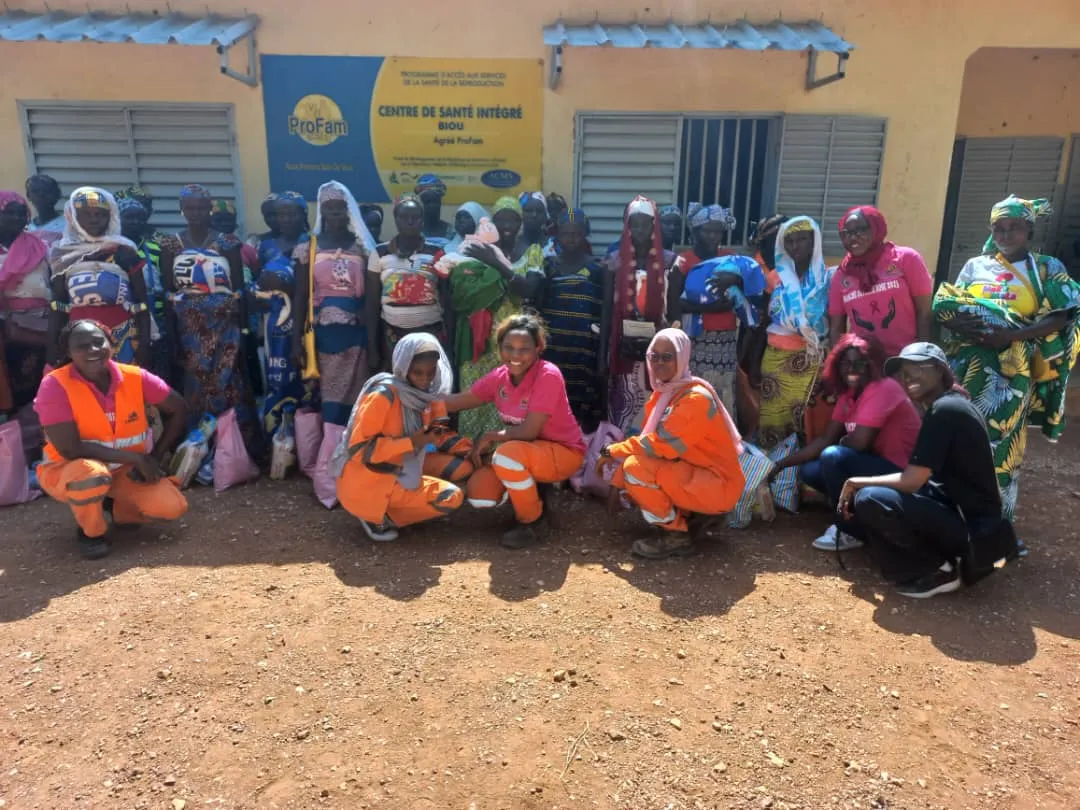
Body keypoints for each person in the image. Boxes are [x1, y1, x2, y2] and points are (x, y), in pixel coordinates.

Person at [934, 195, 1080, 523]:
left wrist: (1009, 337)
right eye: (999, 228)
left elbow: (1063, 316)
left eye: (1014, 227)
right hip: (968, 365)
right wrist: (957, 322)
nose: (1005, 234)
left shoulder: (1046, 269)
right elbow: (949, 304)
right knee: (959, 432)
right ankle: (951, 510)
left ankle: (994, 521)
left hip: (1011, 371)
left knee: (999, 440)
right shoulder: (976, 266)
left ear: (1029, 229)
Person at [838, 342, 1019, 599]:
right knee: (874, 501)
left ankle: (939, 569)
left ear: (938, 369)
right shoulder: (950, 404)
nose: (907, 377)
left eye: (915, 368)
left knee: (870, 498)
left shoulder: (944, 411)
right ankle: (941, 559)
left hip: (972, 529)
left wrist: (856, 481)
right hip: (970, 519)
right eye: (903, 372)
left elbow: (912, 480)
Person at [34, 320, 188, 559]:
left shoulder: (135, 377)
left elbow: (179, 408)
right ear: (68, 352)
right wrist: (136, 458)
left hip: (122, 469)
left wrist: (154, 458)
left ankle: (118, 509)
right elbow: (70, 449)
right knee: (91, 475)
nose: (93, 350)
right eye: (82, 346)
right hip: (69, 469)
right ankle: (91, 532)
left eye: (98, 342)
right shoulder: (54, 385)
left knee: (173, 508)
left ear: (111, 343)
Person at [598, 328, 745, 559]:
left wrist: (612, 452)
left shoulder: (694, 398)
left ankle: (675, 535)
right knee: (638, 466)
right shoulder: (668, 392)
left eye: (667, 356)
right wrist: (617, 482)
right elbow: (652, 447)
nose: (658, 362)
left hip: (717, 485)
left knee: (635, 470)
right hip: (703, 477)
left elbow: (659, 446)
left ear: (683, 357)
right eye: (654, 356)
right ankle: (693, 517)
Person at [768, 333, 922, 551]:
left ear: (871, 365)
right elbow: (825, 439)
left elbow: (859, 443)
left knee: (833, 457)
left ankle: (849, 528)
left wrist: (841, 441)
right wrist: (781, 464)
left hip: (901, 472)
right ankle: (857, 513)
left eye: (859, 363)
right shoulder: (849, 393)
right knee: (811, 470)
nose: (852, 369)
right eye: (846, 363)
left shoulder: (882, 388)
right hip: (875, 464)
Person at [443, 314, 586, 549]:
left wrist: (490, 436)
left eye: (524, 349)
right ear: (499, 348)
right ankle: (531, 495)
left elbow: (529, 431)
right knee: (481, 496)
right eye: (509, 347)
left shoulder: (548, 374)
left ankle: (533, 521)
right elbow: (463, 400)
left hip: (564, 453)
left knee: (506, 456)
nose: (516, 355)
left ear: (538, 348)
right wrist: (421, 401)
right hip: (528, 451)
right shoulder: (500, 376)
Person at [332, 333, 468, 543]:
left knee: (457, 483)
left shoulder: (427, 395)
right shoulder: (382, 396)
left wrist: (467, 448)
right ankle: (373, 515)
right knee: (447, 498)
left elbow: (437, 434)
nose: (425, 379)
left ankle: (394, 511)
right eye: (418, 372)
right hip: (369, 480)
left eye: (431, 372)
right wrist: (413, 442)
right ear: (403, 367)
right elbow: (360, 450)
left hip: (404, 466)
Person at [159, 184, 256, 446]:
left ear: (210, 208)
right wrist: (172, 335)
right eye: (190, 207)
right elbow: (169, 292)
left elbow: (239, 289)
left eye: (202, 207)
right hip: (188, 326)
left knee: (229, 379)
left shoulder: (227, 242)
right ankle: (201, 445)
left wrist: (245, 330)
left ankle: (235, 445)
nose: (197, 212)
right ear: (181, 210)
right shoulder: (170, 244)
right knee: (196, 380)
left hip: (225, 324)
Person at [448, 196, 545, 437]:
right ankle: (471, 453)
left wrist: (495, 263)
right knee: (475, 393)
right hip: (479, 340)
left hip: (516, 342)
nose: (507, 226)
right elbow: (460, 290)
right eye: (501, 220)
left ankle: (503, 453)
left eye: (512, 220)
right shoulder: (478, 247)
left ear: (520, 223)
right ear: (492, 223)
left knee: (510, 395)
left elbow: (528, 289)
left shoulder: (532, 252)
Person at [293, 181, 379, 426]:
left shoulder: (362, 247)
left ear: (349, 209)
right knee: (326, 401)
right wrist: (295, 341)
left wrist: (374, 346)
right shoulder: (308, 247)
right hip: (321, 336)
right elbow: (301, 296)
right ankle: (327, 456)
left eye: (340, 207)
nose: (335, 213)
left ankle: (350, 450)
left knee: (356, 401)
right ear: (321, 210)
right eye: (329, 208)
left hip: (356, 335)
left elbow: (372, 297)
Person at [752, 216, 834, 448]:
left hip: (809, 360)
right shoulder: (774, 279)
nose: (796, 246)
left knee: (803, 421)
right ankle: (768, 475)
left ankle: (796, 476)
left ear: (814, 241)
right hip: (775, 358)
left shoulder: (827, 279)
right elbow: (763, 321)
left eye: (802, 239)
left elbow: (836, 320)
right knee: (771, 421)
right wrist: (756, 361)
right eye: (790, 241)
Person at [48, 187, 151, 368]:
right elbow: (58, 305)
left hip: (123, 337)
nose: (94, 219)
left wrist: (144, 345)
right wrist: (52, 345)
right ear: (73, 217)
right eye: (86, 214)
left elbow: (141, 303)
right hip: (79, 341)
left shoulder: (124, 251)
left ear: (110, 216)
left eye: (100, 214)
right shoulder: (62, 254)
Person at [667, 203, 749, 417]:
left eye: (717, 231)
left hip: (726, 338)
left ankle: (720, 439)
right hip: (695, 338)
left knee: (722, 390)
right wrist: (710, 308)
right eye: (707, 231)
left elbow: (739, 296)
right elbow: (674, 302)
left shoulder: (730, 258)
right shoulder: (684, 261)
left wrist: (697, 307)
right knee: (694, 390)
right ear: (695, 232)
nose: (713, 236)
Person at [606, 195, 675, 435]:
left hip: (658, 349)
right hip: (623, 349)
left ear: (654, 225)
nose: (639, 230)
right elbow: (606, 310)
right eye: (633, 224)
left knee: (654, 407)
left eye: (645, 223)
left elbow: (675, 312)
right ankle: (617, 459)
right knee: (622, 406)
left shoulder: (671, 262)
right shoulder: (614, 262)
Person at [829, 206, 933, 357]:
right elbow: (836, 328)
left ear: (876, 228)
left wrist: (920, 359)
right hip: (866, 364)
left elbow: (924, 313)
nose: (852, 237)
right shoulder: (841, 276)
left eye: (861, 230)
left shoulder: (906, 259)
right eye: (847, 233)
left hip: (904, 360)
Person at [540, 208, 605, 431]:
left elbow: (603, 311)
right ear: (557, 234)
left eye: (576, 233)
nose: (570, 239)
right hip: (554, 346)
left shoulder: (598, 268)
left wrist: (602, 354)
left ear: (584, 234)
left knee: (579, 404)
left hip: (584, 350)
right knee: (552, 397)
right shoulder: (549, 266)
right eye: (565, 233)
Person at [373, 194, 451, 361]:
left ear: (422, 220)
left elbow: (446, 298)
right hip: (392, 336)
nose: (410, 222)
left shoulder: (436, 252)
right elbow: (372, 304)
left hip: (430, 334)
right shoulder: (379, 253)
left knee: (429, 381)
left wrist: (450, 345)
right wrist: (373, 348)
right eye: (404, 217)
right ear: (395, 219)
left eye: (415, 217)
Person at [0, 191, 51, 416]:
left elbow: (53, 282)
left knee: (34, 388)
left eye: (21, 214)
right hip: (3, 327)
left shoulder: (39, 246)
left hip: (37, 325)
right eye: (9, 213)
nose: (16, 218)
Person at [117, 197, 171, 383]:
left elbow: (166, 286)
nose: (135, 222)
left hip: (156, 319)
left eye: (140, 218)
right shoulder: (112, 249)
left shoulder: (156, 249)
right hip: (123, 319)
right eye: (129, 217)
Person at [414, 175, 454, 246]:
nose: (432, 206)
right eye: (428, 202)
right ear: (421, 204)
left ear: (440, 203)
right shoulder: (412, 231)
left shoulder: (451, 231)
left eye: (435, 201)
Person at [25, 174, 65, 242]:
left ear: (58, 194)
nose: (41, 195)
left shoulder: (68, 226)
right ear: (28, 196)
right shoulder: (26, 229)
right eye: (36, 191)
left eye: (47, 190)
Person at [517, 192, 551, 258]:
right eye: (528, 210)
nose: (534, 215)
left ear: (545, 215)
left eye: (539, 211)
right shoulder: (513, 246)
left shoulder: (553, 245)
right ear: (520, 213)